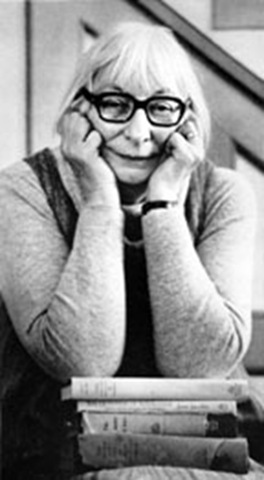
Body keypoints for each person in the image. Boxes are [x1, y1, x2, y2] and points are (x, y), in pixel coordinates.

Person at [0, 21, 258, 478]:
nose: (139, 133)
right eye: (116, 104)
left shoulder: (223, 193)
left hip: (204, 450)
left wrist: (162, 205)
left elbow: (200, 364)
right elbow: (81, 360)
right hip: (52, 452)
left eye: (160, 107)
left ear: (188, 118)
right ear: (80, 109)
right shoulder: (22, 189)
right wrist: (100, 203)